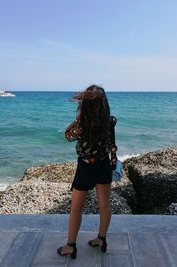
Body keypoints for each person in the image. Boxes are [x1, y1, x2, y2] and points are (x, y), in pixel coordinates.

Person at [57, 85, 117, 259]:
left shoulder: (82, 124)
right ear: (104, 104)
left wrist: (78, 117)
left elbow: (68, 135)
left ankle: (70, 246)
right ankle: (101, 239)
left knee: (76, 207)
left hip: (85, 167)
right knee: (104, 204)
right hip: (103, 165)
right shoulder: (109, 121)